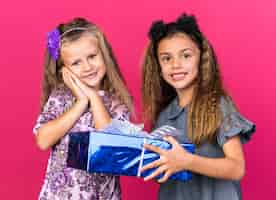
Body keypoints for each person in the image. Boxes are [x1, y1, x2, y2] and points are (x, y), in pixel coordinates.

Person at [140, 13, 255, 200]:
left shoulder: (217, 106)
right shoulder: (164, 116)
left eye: (186, 55)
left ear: (200, 59)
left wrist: (187, 161)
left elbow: (236, 168)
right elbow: (163, 174)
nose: (176, 65)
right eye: (166, 58)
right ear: (158, 66)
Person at [33, 17, 132, 200]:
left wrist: (93, 97)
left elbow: (109, 148)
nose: (87, 67)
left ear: (104, 55)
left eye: (92, 56)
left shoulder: (116, 102)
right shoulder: (60, 97)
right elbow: (43, 140)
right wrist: (80, 103)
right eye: (76, 63)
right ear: (64, 70)